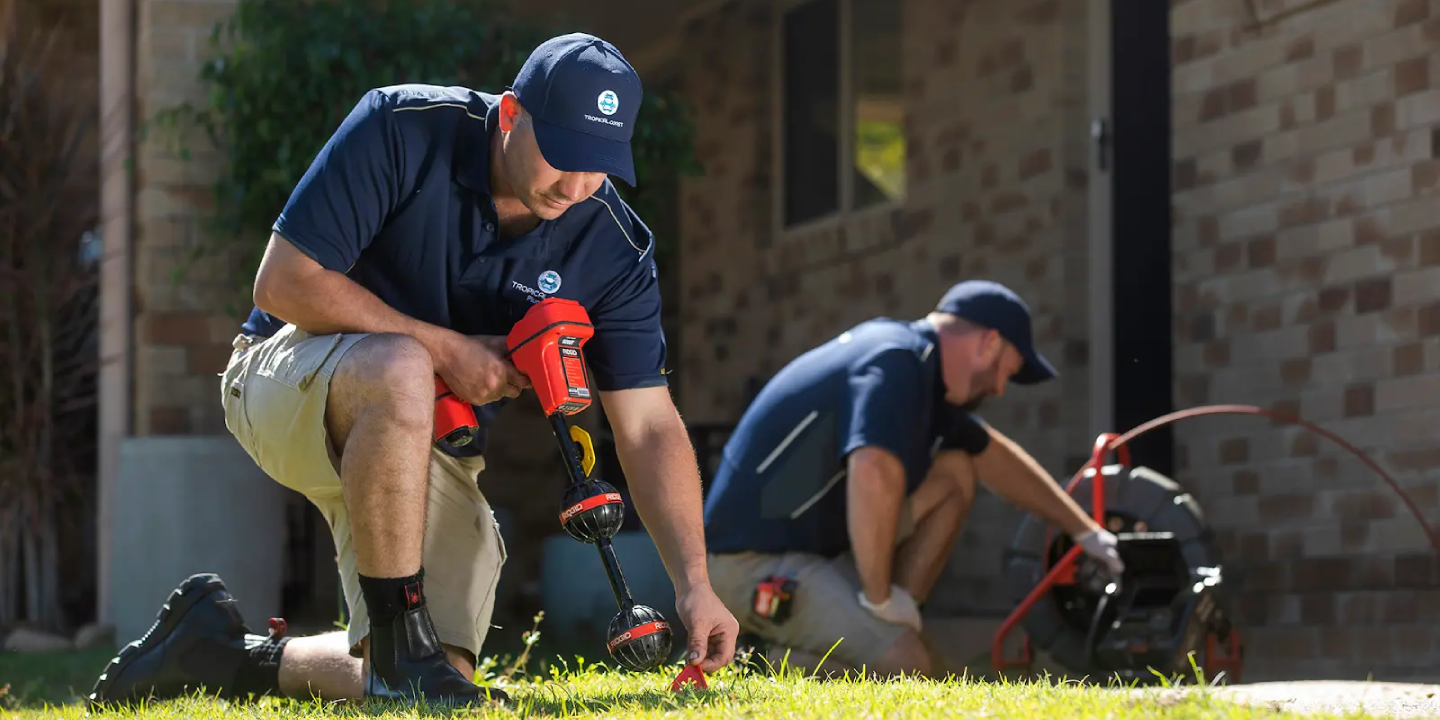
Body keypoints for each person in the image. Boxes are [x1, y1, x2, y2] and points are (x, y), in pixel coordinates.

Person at [88, 32, 738, 708]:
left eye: (599, 165)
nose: (576, 186)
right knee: (401, 364)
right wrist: (445, 349)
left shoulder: (615, 247)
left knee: (440, 675)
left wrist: (694, 582)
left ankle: (223, 656)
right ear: (512, 115)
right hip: (283, 379)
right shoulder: (400, 128)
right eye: (564, 156)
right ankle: (400, 656)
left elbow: (648, 425)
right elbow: (281, 283)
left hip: (427, 442)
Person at [701, 280, 1126, 679]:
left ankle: (882, 623)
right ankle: (757, 658)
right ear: (989, 342)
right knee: (910, 666)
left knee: (956, 470)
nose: (999, 389)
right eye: (1005, 371)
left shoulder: (916, 367)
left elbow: (994, 457)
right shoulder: (895, 361)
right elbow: (873, 469)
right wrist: (878, 596)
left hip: (810, 553)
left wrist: (1085, 532)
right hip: (747, 564)